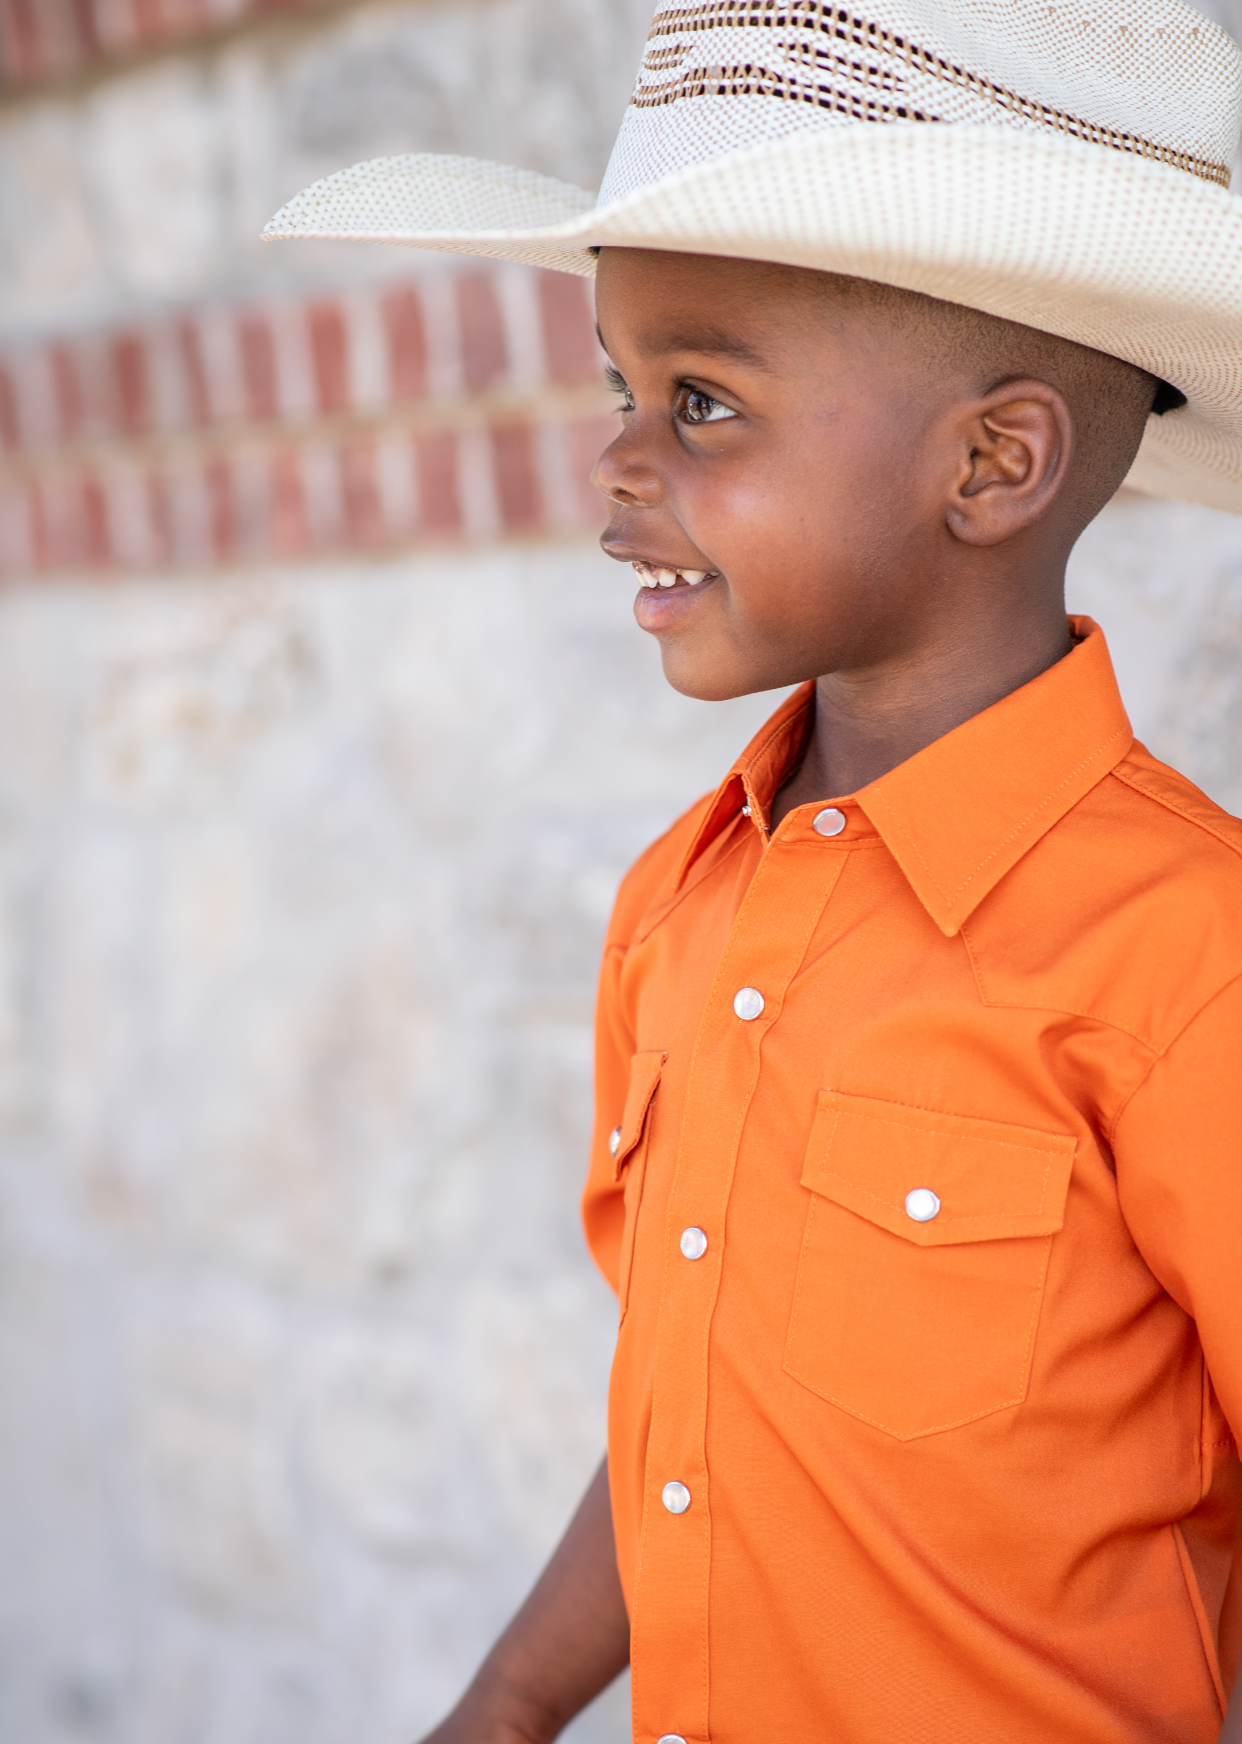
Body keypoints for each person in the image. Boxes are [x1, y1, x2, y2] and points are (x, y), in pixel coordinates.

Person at [266, 3, 1242, 1739]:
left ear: (992, 464)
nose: (616, 462)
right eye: (619, 389)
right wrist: (500, 1707)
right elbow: (693, 1426)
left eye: (700, 403)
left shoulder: (1189, 956)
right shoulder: (680, 906)